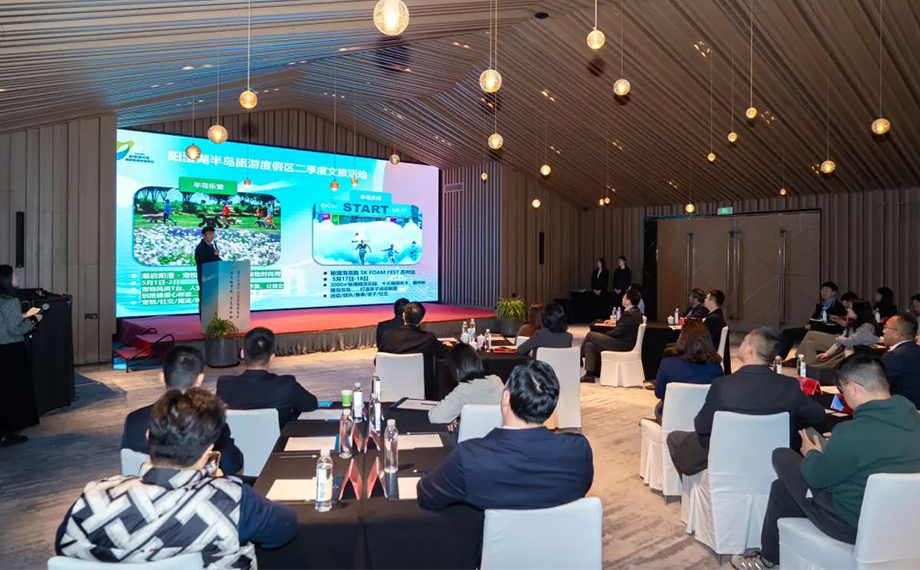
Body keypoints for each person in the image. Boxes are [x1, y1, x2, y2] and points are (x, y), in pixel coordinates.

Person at [55, 388, 298, 567]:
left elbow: (63, 547)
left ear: (148, 436)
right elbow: (286, 527)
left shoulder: (93, 498)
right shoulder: (231, 501)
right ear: (207, 451)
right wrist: (218, 483)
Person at [731, 354, 920, 570]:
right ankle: (770, 558)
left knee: (782, 456)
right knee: (782, 489)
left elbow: (816, 478)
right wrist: (835, 448)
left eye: (842, 389)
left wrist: (811, 453)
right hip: (908, 520)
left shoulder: (851, 433)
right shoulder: (914, 418)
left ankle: (768, 562)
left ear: (854, 388)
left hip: (852, 524)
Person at [417, 360, 593, 511]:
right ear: (552, 404)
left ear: (506, 397)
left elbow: (427, 495)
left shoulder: (469, 457)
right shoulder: (579, 450)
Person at [667, 328, 826, 477]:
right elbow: (817, 414)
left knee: (675, 439)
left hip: (728, 456)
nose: (741, 343)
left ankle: (699, 491)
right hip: (772, 458)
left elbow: (702, 426)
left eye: (744, 340)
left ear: (749, 350)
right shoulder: (789, 386)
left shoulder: (723, 385)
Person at [122, 346, 243, 475]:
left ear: (162, 377)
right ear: (200, 379)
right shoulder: (210, 420)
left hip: (144, 485)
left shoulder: (134, 420)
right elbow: (232, 463)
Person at [217, 328, 318, 427]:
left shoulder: (224, 384)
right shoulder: (286, 385)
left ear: (242, 354)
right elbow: (311, 404)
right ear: (272, 357)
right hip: (279, 439)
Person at [0, 265, 40, 447]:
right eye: (14, 274)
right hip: (10, 351)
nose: (17, 277)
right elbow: (15, 329)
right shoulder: (10, 301)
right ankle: (8, 433)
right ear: (6, 280)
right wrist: (33, 319)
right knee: (13, 392)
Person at [653, 320, 723, 422]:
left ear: (681, 339)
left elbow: (659, 393)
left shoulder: (668, 364)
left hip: (674, 419)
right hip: (705, 419)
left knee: (658, 407)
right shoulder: (716, 367)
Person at [379, 302, 450, 400]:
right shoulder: (427, 339)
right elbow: (445, 353)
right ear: (421, 320)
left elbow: (377, 361)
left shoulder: (388, 336)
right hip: (421, 390)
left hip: (391, 388)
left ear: (403, 316)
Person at [428, 343, 504, 425]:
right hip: (499, 431)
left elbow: (435, 417)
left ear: (456, 369)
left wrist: (454, 417)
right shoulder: (496, 381)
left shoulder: (463, 390)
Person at [580, 289, 643, 383]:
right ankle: (589, 375)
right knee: (590, 345)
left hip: (621, 344)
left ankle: (579, 357)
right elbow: (624, 326)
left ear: (628, 301)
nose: (622, 299)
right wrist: (615, 323)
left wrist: (606, 335)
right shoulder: (636, 311)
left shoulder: (629, 314)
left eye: (624, 297)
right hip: (624, 342)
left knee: (590, 335)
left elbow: (618, 332)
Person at [778, 281, 848, 364]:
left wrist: (813, 326)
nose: (824, 293)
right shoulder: (821, 305)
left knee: (809, 335)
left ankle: (797, 359)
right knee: (788, 332)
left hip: (826, 331)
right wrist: (809, 324)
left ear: (833, 293)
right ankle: (780, 357)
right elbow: (814, 319)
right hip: (815, 328)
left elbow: (835, 326)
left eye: (826, 291)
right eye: (822, 291)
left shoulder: (839, 307)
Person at [811, 300, 879, 374]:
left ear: (858, 311)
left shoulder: (867, 327)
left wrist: (839, 338)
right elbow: (840, 341)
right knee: (815, 364)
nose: (848, 310)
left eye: (850, 308)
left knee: (823, 369)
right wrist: (827, 353)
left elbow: (850, 341)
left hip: (856, 356)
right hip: (844, 352)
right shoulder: (852, 324)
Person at [795, 291, 862, 365]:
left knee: (810, 333)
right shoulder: (851, 318)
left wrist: (839, 322)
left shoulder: (861, 319)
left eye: (847, 307)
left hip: (844, 341)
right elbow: (847, 327)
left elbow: (851, 332)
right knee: (809, 343)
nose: (847, 310)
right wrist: (838, 320)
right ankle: (811, 367)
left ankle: (798, 357)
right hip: (841, 338)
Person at [880, 313, 920, 407]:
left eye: (886, 327)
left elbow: (877, 384)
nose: (883, 331)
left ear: (897, 333)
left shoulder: (894, 356)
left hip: (901, 409)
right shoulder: (916, 350)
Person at [194, 226, 221, 321]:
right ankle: (205, 321)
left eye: (213, 234)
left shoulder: (211, 246)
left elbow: (216, 260)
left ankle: (213, 320)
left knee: (213, 300)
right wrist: (213, 255)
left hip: (213, 277)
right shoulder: (200, 247)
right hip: (205, 277)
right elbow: (201, 260)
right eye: (209, 234)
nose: (212, 236)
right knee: (206, 300)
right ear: (203, 235)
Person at [703, 289, 731, 374]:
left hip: (709, 352)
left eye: (707, 298)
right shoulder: (717, 315)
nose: (705, 300)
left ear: (712, 301)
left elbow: (706, 340)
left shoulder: (713, 319)